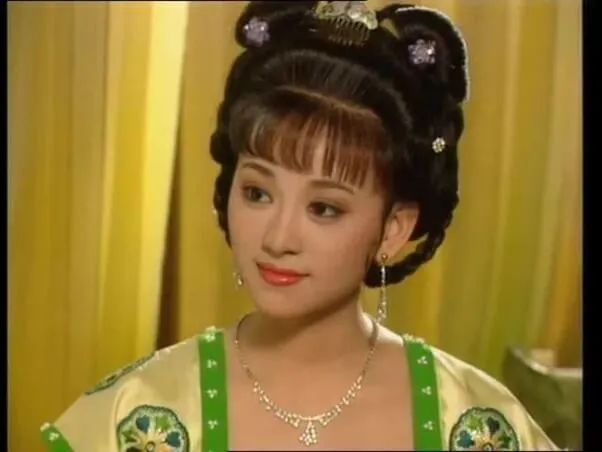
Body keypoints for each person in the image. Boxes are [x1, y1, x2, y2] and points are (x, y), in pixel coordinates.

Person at [41, 1, 560, 450]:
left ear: (393, 230)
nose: (277, 238)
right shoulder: (139, 416)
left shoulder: (472, 422)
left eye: (324, 208)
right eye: (258, 193)